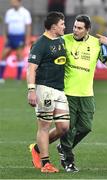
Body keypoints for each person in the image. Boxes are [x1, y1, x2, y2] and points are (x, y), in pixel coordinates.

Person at [29, 15, 107, 172]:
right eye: (74, 26)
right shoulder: (64, 40)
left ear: (88, 30)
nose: (75, 30)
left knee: (85, 127)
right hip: (67, 92)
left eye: (79, 28)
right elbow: (45, 51)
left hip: (87, 94)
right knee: (66, 129)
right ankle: (67, 160)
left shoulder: (96, 44)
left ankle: (41, 147)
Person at [27, 11, 70, 173]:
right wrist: (31, 90)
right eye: (62, 24)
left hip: (60, 89)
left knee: (64, 127)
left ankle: (37, 148)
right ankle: (46, 164)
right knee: (44, 126)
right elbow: (31, 68)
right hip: (44, 89)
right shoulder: (40, 44)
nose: (64, 26)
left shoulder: (61, 40)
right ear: (53, 27)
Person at [0, 0, 32, 83]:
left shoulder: (25, 12)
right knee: (3, 55)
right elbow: (6, 26)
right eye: (11, 2)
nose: (12, 3)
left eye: (14, 1)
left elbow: (28, 26)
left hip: (20, 36)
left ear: (19, 2)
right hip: (10, 36)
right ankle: (1, 76)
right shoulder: (9, 12)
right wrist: (5, 36)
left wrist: (27, 38)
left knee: (19, 56)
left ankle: (18, 77)